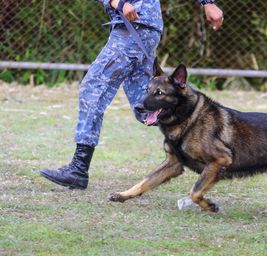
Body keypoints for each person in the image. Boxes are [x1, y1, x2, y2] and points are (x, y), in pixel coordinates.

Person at [39, 0, 224, 189]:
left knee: (93, 88)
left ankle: (78, 169)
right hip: (139, 25)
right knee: (147, 105)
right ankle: (216, 143)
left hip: (135, 25)